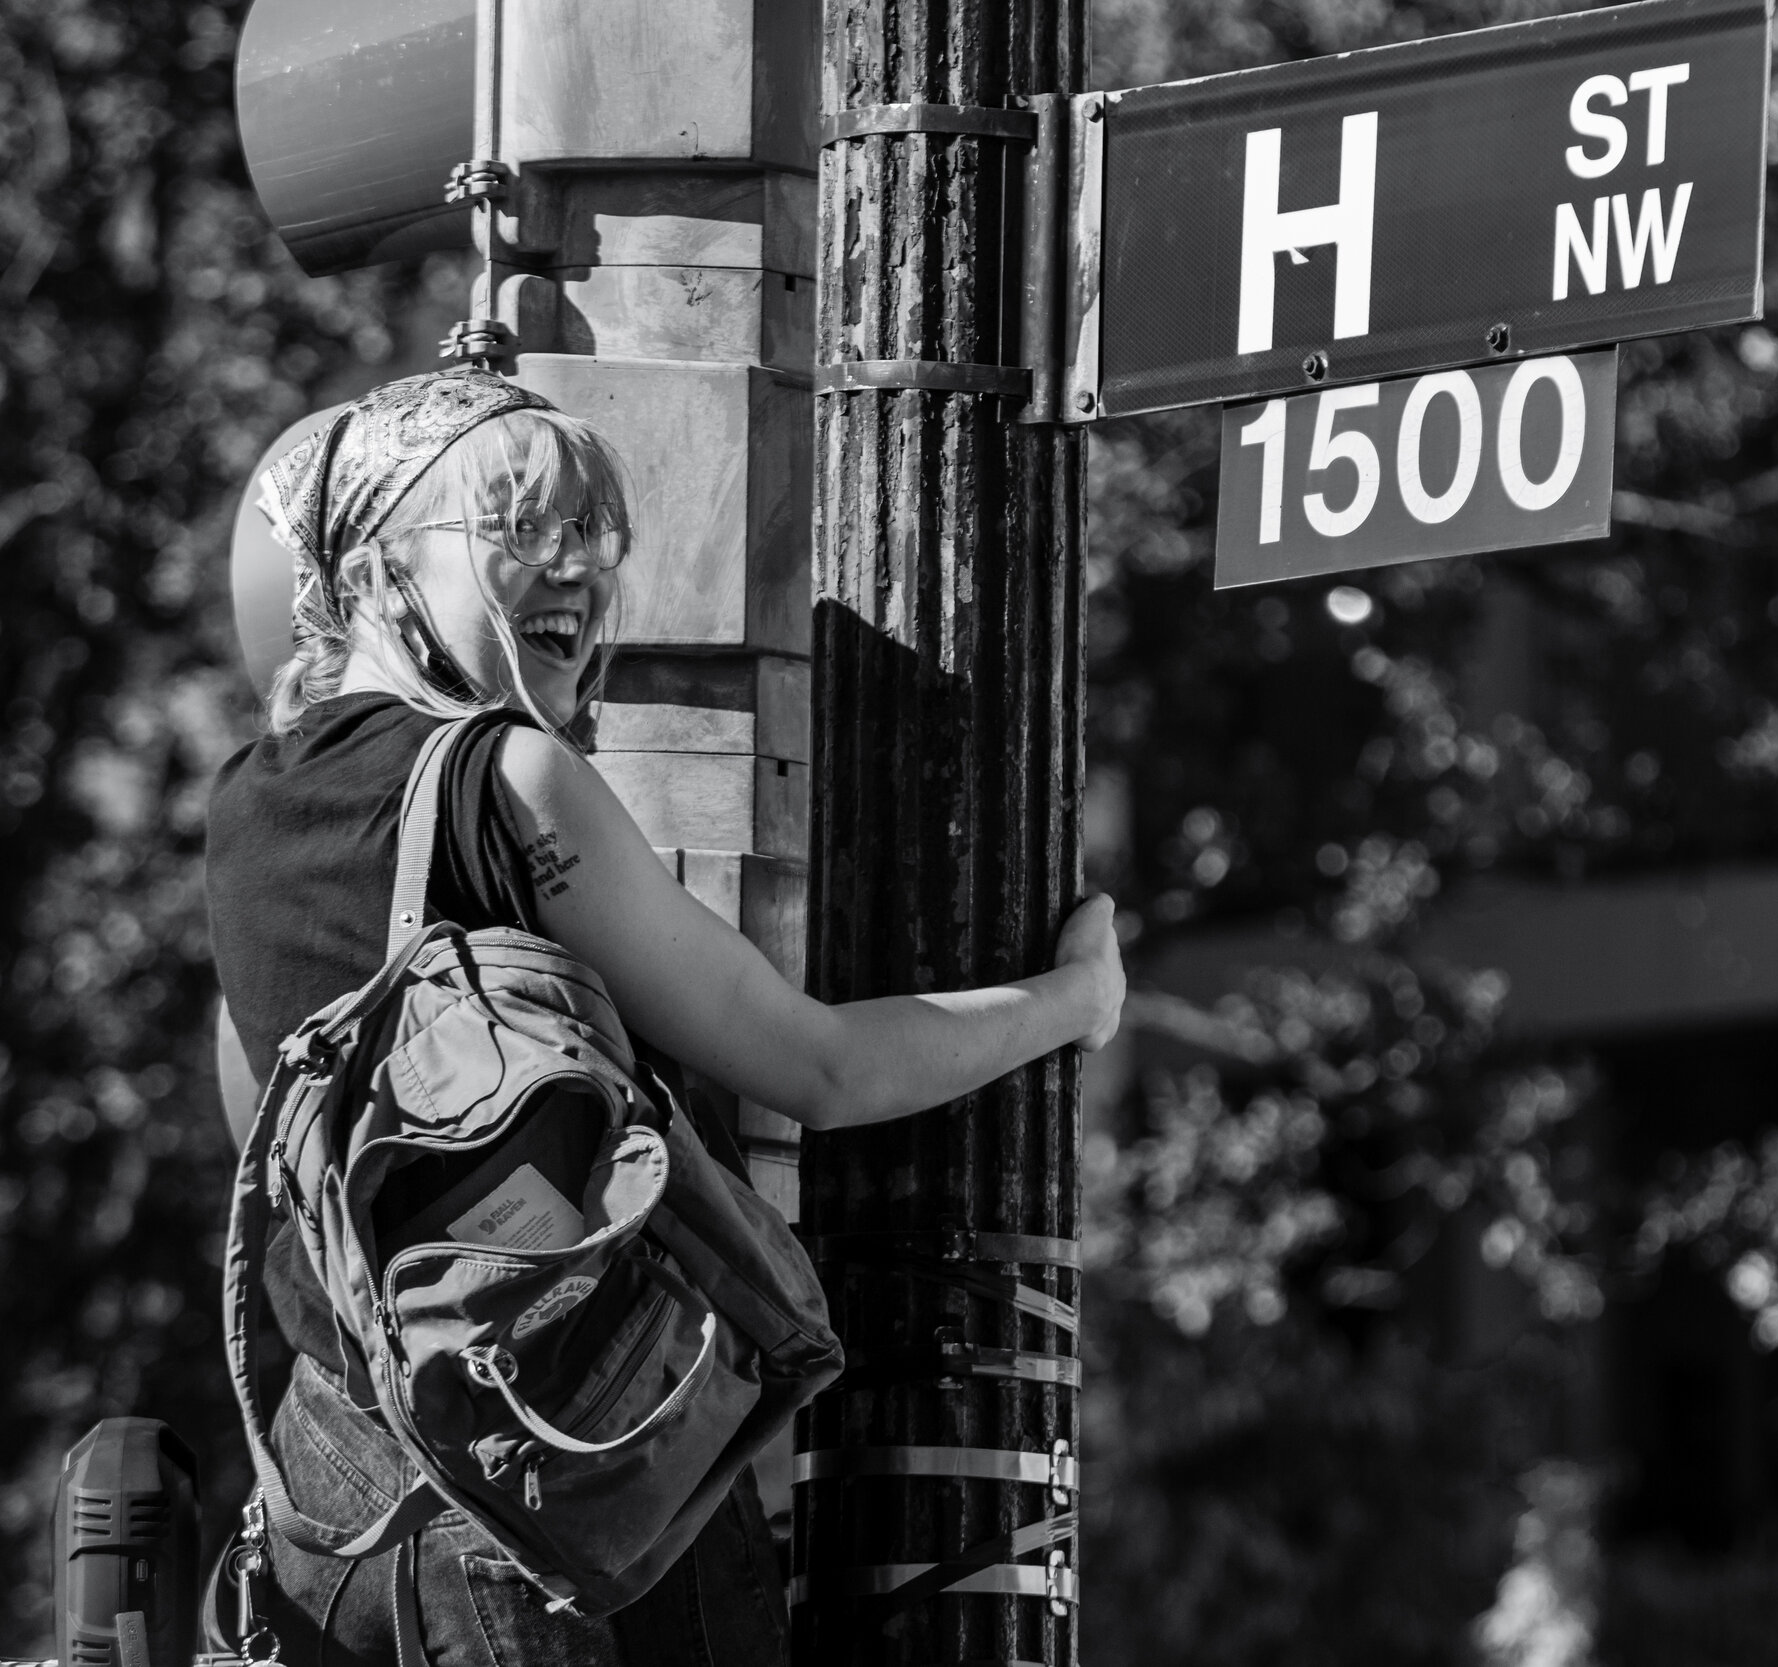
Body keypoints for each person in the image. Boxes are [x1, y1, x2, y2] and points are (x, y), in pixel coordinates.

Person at [203, 366, 1123, 1666]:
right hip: (554, 1514)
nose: (574, 572)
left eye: (595, 536)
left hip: (331, 1522)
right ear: (377, 568)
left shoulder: (242, 811)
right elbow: (824, 1067)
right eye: (518, 530)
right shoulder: (509, 779)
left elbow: (265, 1132)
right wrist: (1072, 999)